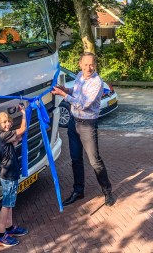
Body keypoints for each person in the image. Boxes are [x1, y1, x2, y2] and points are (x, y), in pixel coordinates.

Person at [51, 52, 115, 207]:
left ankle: (108, 192)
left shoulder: (97, 82)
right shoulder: (79, 75)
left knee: (95, 161)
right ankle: (78, 191)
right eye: (85, 64)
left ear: (95, 65)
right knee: (75, 159)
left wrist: (63, 95)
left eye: (91, 64)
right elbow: (76, 92)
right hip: (74, 123)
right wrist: (66, 89)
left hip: (87, 125)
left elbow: (82, 104)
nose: (88, 67)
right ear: (80, 64)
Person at [0, 107, 28, 247]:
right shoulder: (2, 136)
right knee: (6, 205)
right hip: (9, 174)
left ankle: (10, 227)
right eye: (4, 122)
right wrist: (24, 114)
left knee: (10, 203)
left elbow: (13, 144)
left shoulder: (2, 137)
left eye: (8, 121)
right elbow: (22, 128)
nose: (8, 124)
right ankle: (0, 235)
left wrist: (17, 140)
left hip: (11, 173)